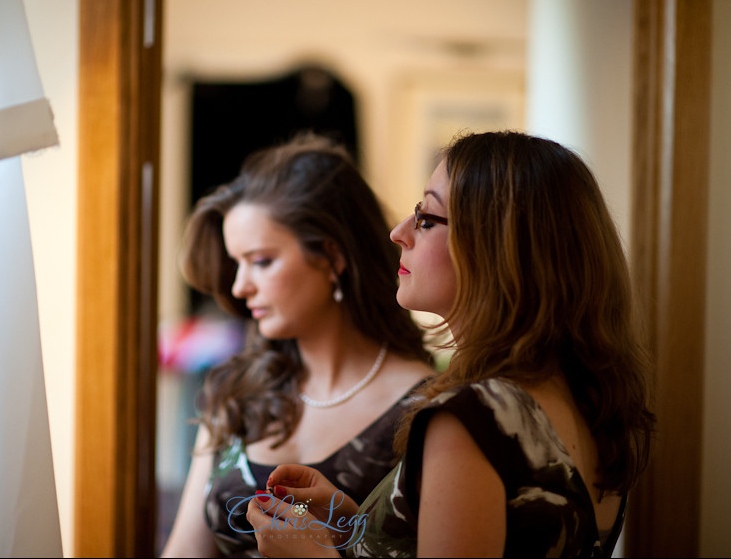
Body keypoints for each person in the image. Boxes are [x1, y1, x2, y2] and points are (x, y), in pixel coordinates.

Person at [245, 130, 656, 558]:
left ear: (497, 245)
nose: (398, 233)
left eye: (426, 219)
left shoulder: (470, 417)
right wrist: (354, 522)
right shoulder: (585, 400)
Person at [160, 133, 435, 558]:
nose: (239, 286)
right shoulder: (234, 393)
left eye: (261, 261)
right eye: (237, 264)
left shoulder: (426, 410)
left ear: (332, 257)